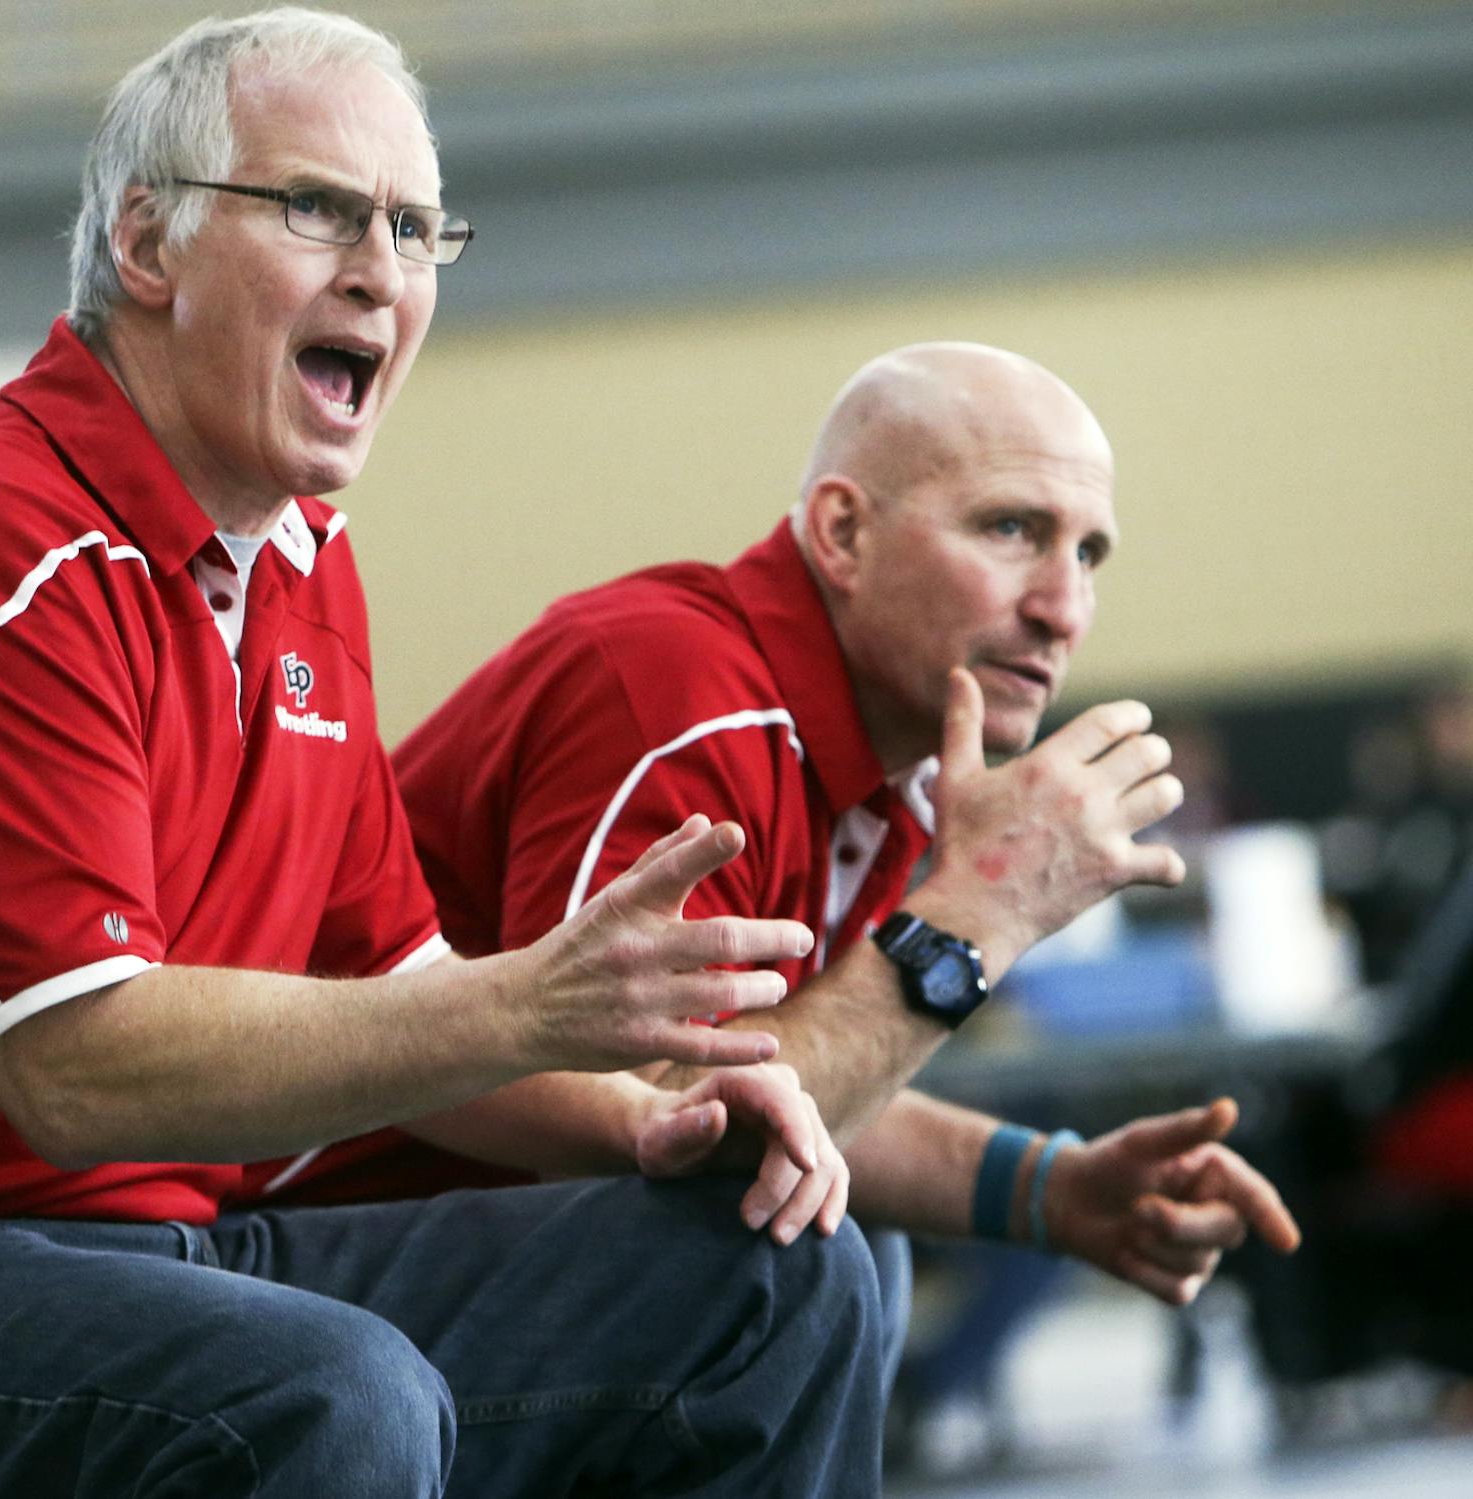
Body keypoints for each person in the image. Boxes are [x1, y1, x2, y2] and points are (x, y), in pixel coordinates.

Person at [0, 12, 893, 1497]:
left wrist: (648, 1115)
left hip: (149, 1258)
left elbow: (394, 986)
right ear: (147, 244)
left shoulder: (304, 567)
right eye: (322, 209)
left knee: (776, 1275)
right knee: (326, 1393)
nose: (381, 272)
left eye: (414, 227)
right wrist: (531, 1002)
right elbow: (74, 1066)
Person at [283, 344, 1302, 1339]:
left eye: (1087, 552)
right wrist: (978, 913)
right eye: (1010, 528)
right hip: (279, 1249)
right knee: (794, 1260)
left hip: (420, 1255)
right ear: (842, 533)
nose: (1063, 607)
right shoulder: (682, 698)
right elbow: (654, 1132)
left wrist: (1050, 1187)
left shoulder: (883, 768)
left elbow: (778, 1089)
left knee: (824, 1215)